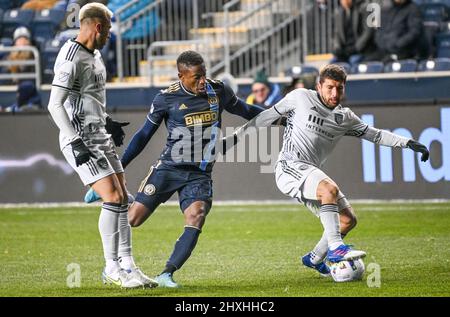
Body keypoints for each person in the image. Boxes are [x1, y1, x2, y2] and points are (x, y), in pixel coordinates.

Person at [227, 64, 430, 276]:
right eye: (330, 87)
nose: (335, 93)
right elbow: (266, 117)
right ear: (319, 86)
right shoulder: (300, 97)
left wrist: (408, 143)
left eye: (340, 88)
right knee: (328, 189)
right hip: (289, 167)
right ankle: (335, 249)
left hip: (310, 170)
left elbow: (376, 135)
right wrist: (235, 137)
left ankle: (314, 258)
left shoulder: (346, 118)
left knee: (348, 220)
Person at [86, 50, 266, 287]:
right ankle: (114, 261)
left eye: (204, 75)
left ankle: (166, 274)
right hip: (168, 168)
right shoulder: (166, 99)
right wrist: (118, 170)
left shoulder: (219, 91)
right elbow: (143, 136)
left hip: (199, 173)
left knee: (197, 215)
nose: (202, 81)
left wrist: (278, 116)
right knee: (133, 219)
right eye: (196, 77)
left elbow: (246, 110)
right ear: (181, 75)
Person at [47, 2, 157, 289]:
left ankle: (128, 266)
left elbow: (89, 98)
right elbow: (54, 105)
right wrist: (74, 140)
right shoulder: (71, 58)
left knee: (122, 198)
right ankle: (111, 268)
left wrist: (107, 121)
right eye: (108, 28)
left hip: (99, 135)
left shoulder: (95, 56)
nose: (110, 34)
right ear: (97, 26)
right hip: (80, 139)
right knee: (112, 197)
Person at [331, 0, 375, 65]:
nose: (344, 1)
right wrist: (337, 48)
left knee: (353, 62)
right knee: (330, 67)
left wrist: (356, 48)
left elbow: (367, 33)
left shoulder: (363, 8)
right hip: (344, 52)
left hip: (360, 51)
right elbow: (336, 33)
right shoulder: (338, 12)